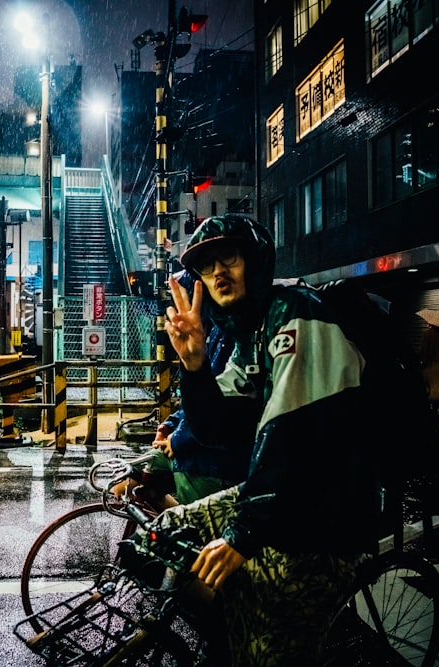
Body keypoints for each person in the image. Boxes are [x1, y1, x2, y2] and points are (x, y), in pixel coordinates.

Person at [159, 214, 382, 666]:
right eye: (205, 265)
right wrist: (196, 367)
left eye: (230, 256)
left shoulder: (298, 313)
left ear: (255, 261)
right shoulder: (248, 334)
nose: (218, 272)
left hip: (331, 515)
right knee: (164, 534)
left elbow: (290, 432)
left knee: (267, 652)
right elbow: (217, 428)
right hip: (287, 500)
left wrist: (242, 536)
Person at [111, 272, 256, 509]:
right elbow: (198, 397)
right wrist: (168, 425)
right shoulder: (214, 331)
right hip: (194, 449)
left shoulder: (236, 333)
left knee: (198, 533)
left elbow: (222, 405)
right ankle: (171, 529)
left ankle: (182, 532)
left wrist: (177, 439)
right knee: (124, 484)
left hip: (212, 460)